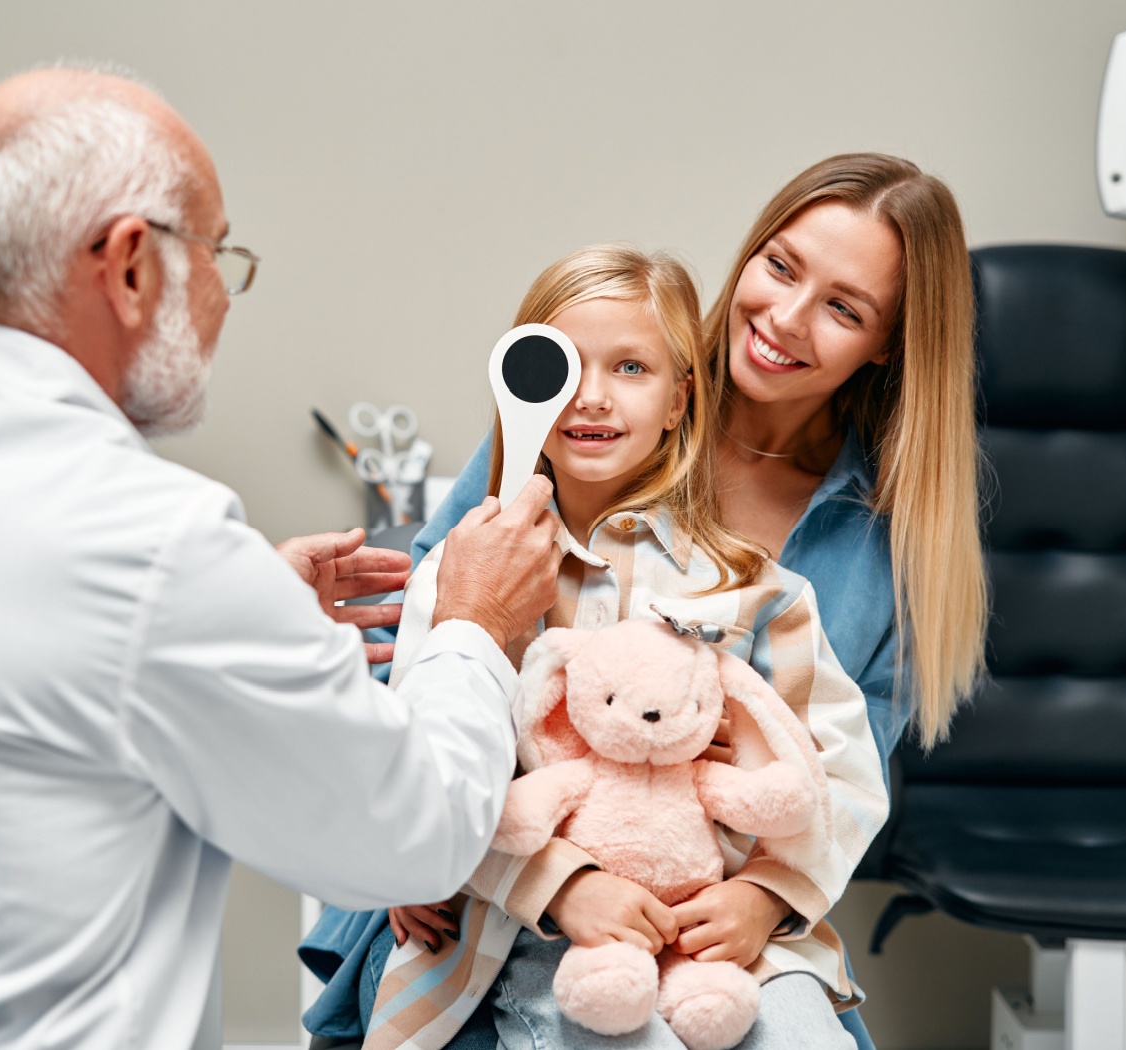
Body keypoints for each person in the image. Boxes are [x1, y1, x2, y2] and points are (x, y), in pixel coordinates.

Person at [0, 65, 562, 1050]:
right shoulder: (157, 547)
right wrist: (474, 624)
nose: (220, 296)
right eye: (218, 255)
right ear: (130, 265)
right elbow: (414, 839)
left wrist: (241, 602)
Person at [351, 154, 989, 1050]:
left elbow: (843, 775)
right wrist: (416, 838)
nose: (787, 318)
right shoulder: (578, 441)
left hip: (716, 912)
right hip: (505, 883)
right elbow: (446, 644)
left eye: (844, 308)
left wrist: (762, 895)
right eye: (780, 266)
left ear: (886, 342)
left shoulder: (848, 553)